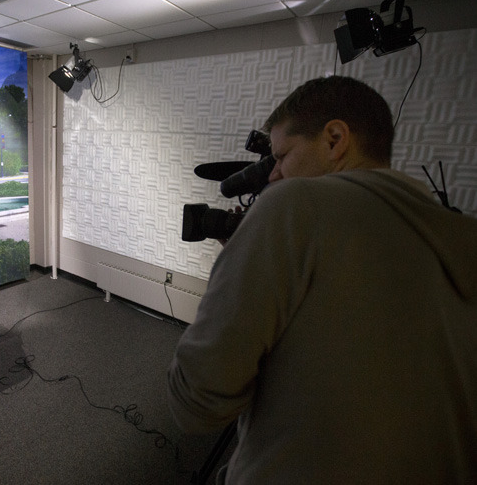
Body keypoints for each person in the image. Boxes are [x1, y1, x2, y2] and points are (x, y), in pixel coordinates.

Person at [167, 76, 477, 483]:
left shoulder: (292, 205)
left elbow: (196, 402)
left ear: (334, 139)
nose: (274, 175)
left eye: (282, 156)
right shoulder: (462, 234)